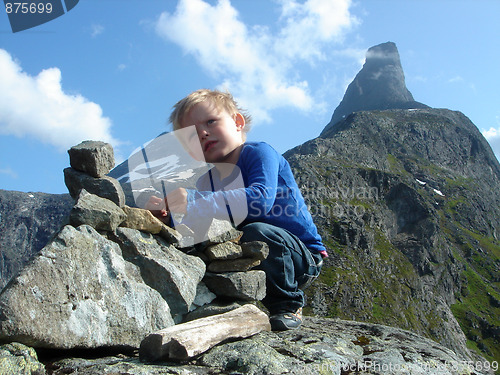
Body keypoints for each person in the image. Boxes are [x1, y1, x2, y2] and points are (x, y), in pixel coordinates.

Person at [148, 89, 327, 330]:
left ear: (237, 122)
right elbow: (203, 221)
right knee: (203, 244)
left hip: (301, 255)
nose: (201, 133)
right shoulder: (205, 182)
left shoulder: (258, 153)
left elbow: (260, 201)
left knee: (257, 230)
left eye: (210, 121)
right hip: (252, 249)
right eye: (190, 136)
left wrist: (191, 200)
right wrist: (168, 217)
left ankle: (288, 304)